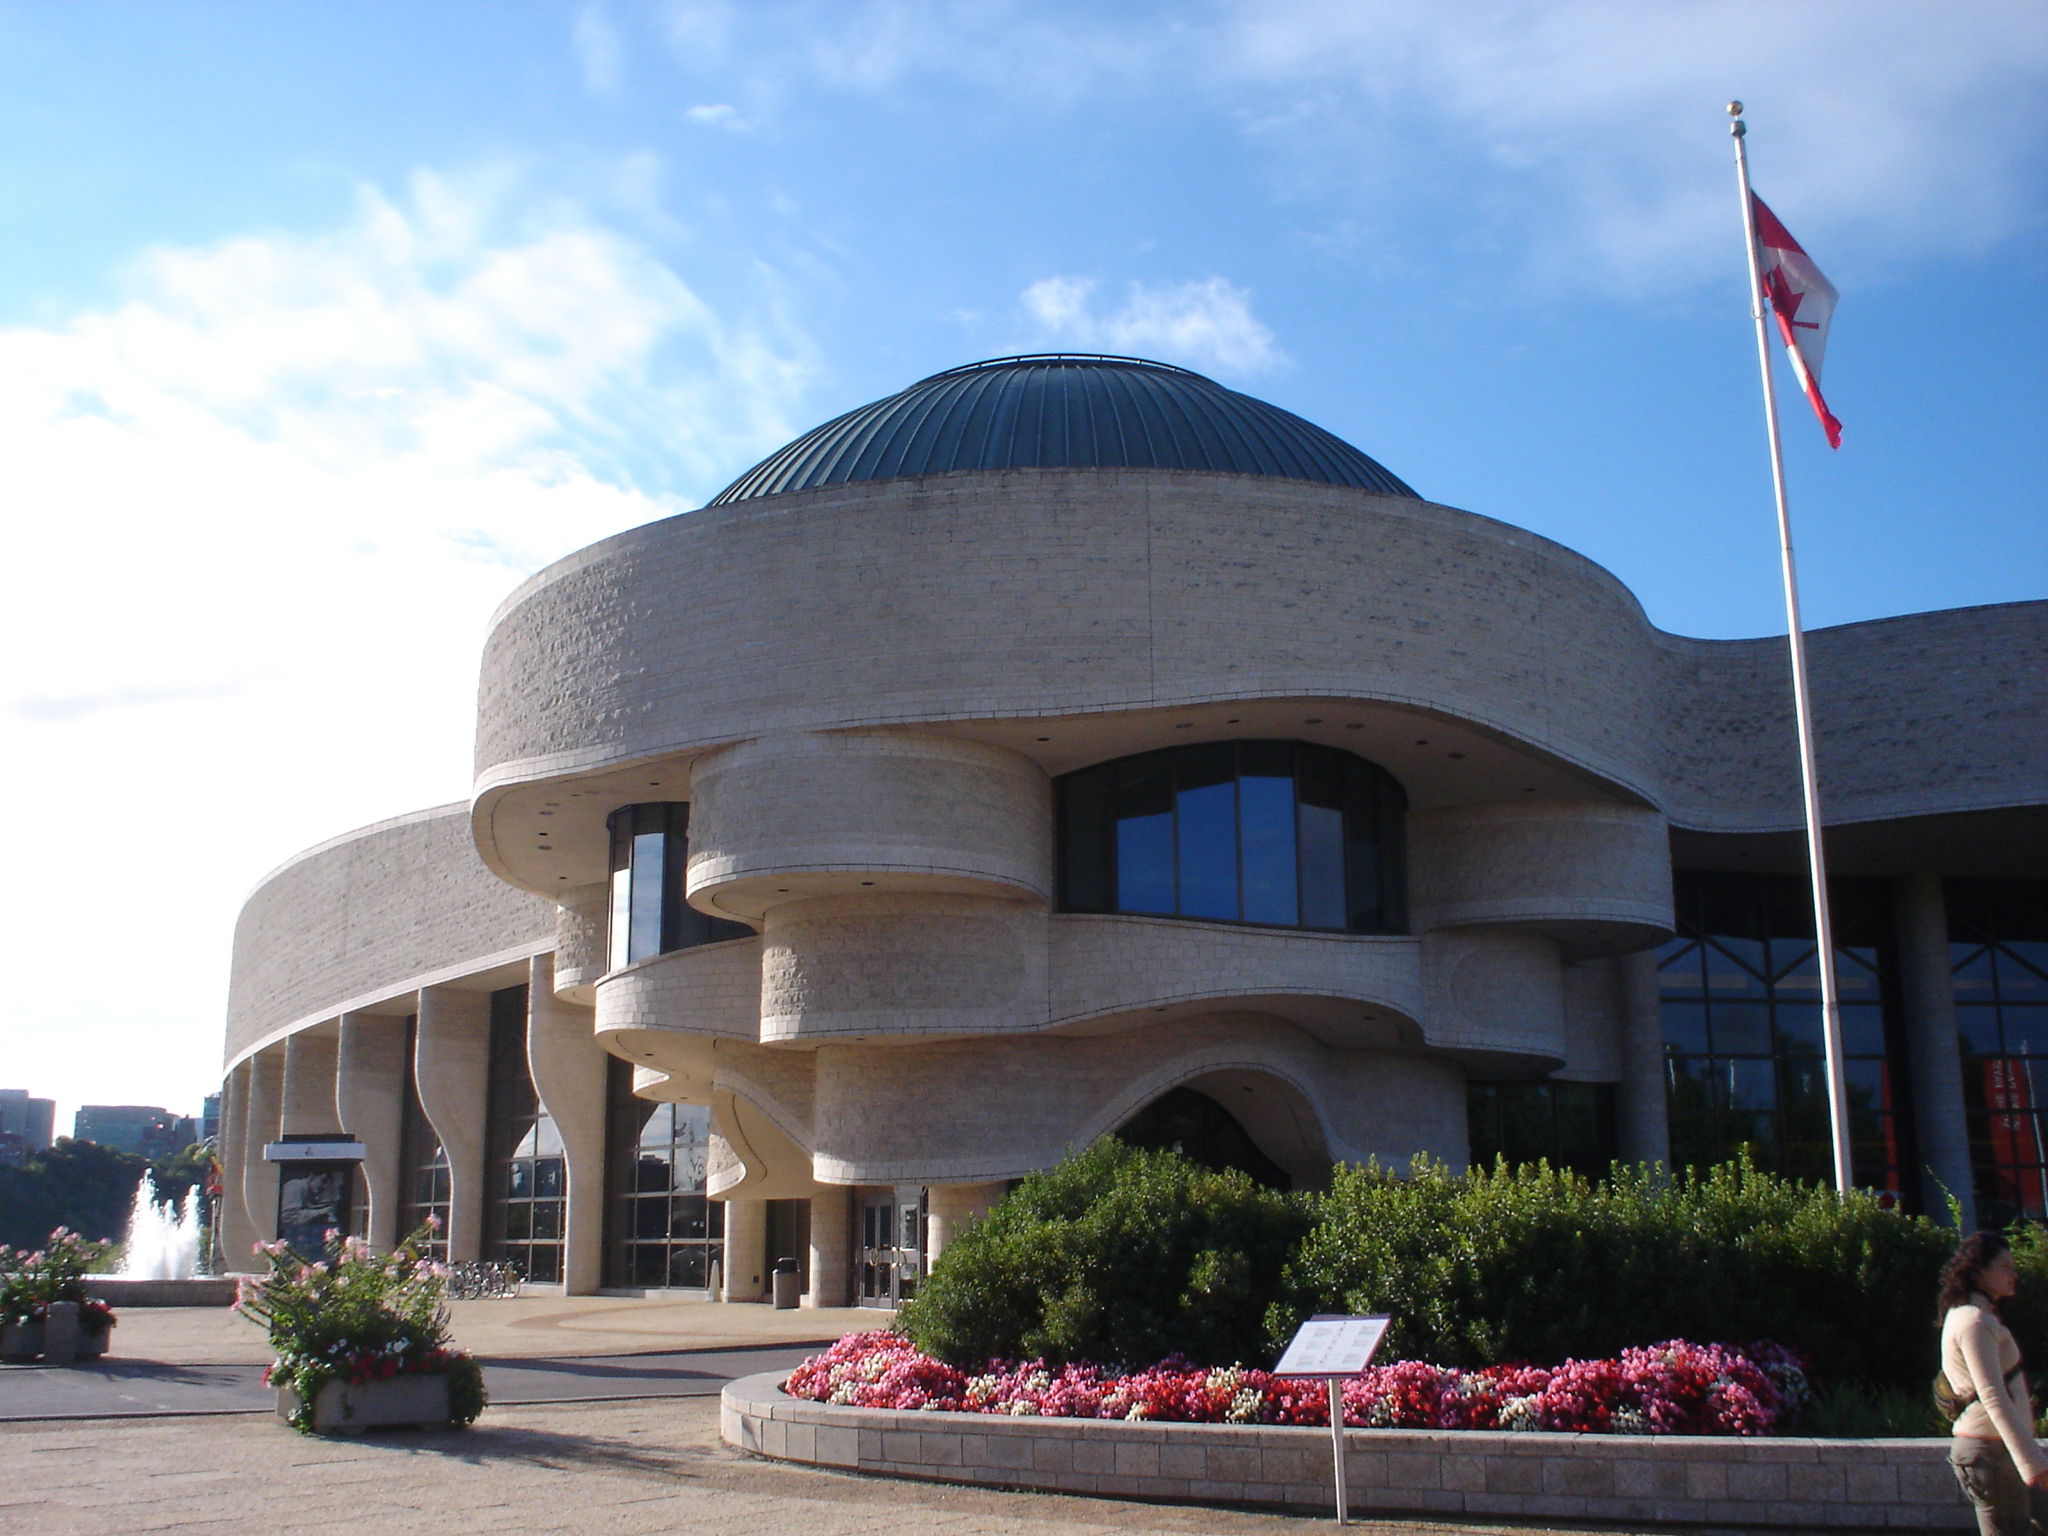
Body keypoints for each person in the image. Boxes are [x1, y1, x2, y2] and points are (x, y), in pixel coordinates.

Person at [1941, 1231, 2048, 1535]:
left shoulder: (1972, 1317)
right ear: (1977, 1271)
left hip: (1997, 1449)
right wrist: (2031, 1462)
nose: (2013, 1274)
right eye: (2004, 1266)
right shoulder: (1974, 1321)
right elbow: (1993, 1395)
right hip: (1990, 1452)